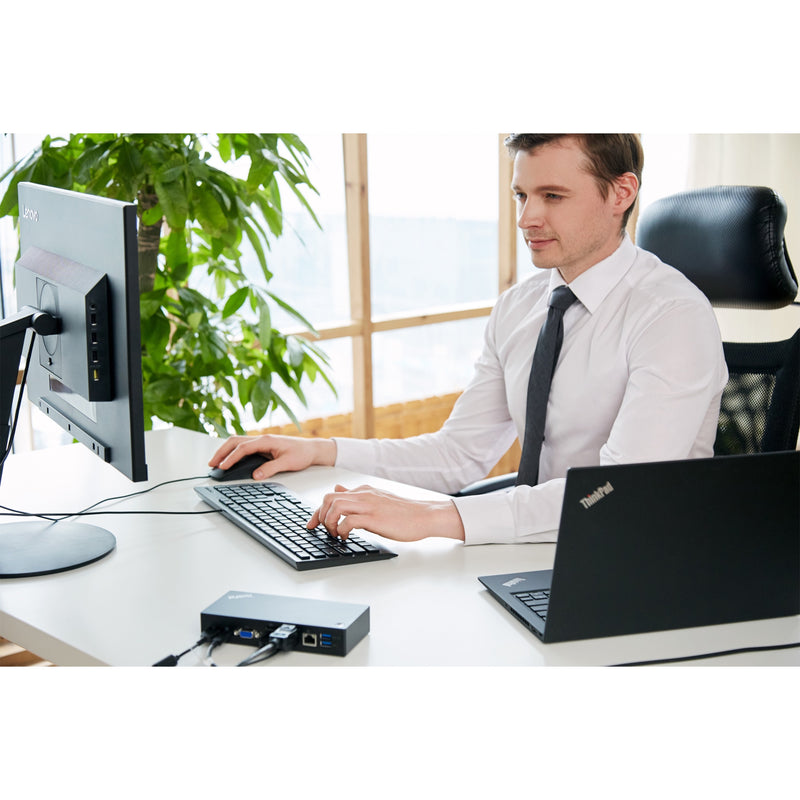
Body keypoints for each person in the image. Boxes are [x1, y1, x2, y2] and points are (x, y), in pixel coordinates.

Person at [209, 134, 728, 546]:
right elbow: (458, 454)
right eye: (522, 195)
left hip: (638, 559)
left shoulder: (672, 317)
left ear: (621, 193)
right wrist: (322, 450)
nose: (527, 218)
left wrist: (438, 516)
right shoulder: (520, 307)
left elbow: (614, 497)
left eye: (553, 196)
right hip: (539, 550)